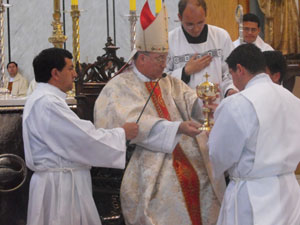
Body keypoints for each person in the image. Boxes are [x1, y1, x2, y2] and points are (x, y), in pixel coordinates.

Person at [94, 3, 225, 225]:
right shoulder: (119, 86)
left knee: (208, 173)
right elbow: (132, 123)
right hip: (146, 154)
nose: (165, 64)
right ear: (142, 57)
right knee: (168, 189)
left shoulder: (167, 80)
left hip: (185, 146)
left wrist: (203, 106)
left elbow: (187, 98)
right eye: (159, 59)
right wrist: (178, 127)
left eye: (165, 58)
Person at [22, 48, 138, 225]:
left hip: (60, 181)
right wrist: (121, 134)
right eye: (70, 68)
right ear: (55, 73)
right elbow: (82, 140)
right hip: (60, 187)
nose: (75, 74)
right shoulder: (47, 103)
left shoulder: (43, 98)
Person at [208, 43, 300, 225]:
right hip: (289, 190)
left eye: (231, 74)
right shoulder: (293, 100)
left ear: (239, 69)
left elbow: (219, 155)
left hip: (251, 194)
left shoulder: (237, 103)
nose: (232, 80)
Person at [165, 0, 237, 99]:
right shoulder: (169, 40)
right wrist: (185, 72)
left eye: (200, 23)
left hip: (216, 105)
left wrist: (230, 89)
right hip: (184, 108)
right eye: (190, 24)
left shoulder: (221, 36)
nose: (196, 29)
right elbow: (161, 79)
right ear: (180, 17)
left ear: (205, 15)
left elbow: (231, 72)